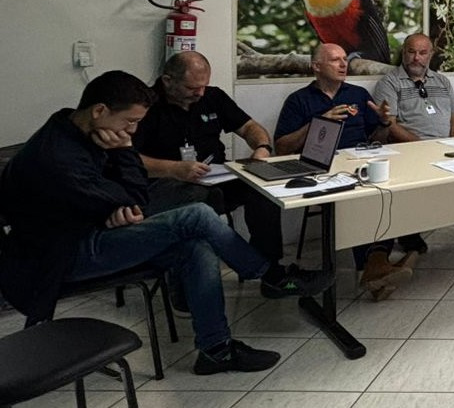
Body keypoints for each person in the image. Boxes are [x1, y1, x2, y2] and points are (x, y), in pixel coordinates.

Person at [0, 70, 325, 376]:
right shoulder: (62, 158)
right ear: (99, 110)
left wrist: (113, 203)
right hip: (59, 256)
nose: (132, 131)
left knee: (195, 246)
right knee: (196, 215)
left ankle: (216, 350)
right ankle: (270, 274)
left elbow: (122, 198)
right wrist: (124, 154)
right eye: (130, 122)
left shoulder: (73, 126)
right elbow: (136, 197)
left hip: (85, 231)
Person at [134, 51, 326, 310]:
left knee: (262, 191)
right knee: (201, 202)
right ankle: (202, 284)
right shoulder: (145, 106)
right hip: (166, 183)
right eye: (192, 88)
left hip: (216, 176)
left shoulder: (212, 97)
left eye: (203, 85)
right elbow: (128, 159)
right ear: (167, 81)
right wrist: (173, 169)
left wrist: (262, 148)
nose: (200, 93)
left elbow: (250, 127)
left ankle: (270, 269)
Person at [275, 43, 410, 301]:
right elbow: (281, 147)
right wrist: (319, 122)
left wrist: (384, 123)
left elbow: (376, 138)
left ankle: (375, 266)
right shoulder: (299, 100)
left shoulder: (358, 94)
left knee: (386, 191)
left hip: (359, 163)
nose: (343, 64)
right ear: (316, 66)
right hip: (320, 169)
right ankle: (376, 264)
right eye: (335, 60)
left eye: (344, 59)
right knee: (361, 198)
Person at [374, 34, 454, 241]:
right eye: (411, 52)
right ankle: (409, 232)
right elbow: (390, 124)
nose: (416, 58)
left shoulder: (442, 80)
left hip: (446, 146)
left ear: (431, 55)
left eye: (422, 53)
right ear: (403, 53)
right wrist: (423, 147)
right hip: (410, 149)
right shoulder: (389, 83)